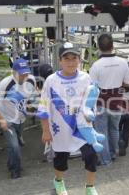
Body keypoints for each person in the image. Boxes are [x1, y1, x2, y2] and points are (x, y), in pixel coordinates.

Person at [38, 42, 99, 195]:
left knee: (91, 156)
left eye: (74, 58)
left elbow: (91, 101)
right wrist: (45, 131)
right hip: (60, 130)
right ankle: (58, 181)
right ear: (60, 60)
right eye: (67, 58)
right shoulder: (51, 81)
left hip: (82, 128)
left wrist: (91, 118)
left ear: (79, 60)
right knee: (61, 160)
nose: (71, 62)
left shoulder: (86, 77)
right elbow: (43, 108)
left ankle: (90, 187)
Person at [0, 58, 37, 179]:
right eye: (21, 74)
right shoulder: (5, 84)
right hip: (7, 119)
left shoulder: (31, 80)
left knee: (14, 145)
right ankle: (16, 170)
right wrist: (1, 120)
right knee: (15, 146)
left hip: (21, 119)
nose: (24, 77)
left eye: (26, 73)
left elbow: (32, 97)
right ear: (13, 72)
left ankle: (11, 164)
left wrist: (33, 106)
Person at [90, 34, 129, 165]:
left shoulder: (96, 65)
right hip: (117, 103)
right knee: (114, 129)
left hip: (101, 103)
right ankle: (113, 154)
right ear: (113, 46)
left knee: (101, 132)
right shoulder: (123, 62)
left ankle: (106, 160)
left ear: (98, 47)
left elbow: (92, 88)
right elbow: (128, 84)